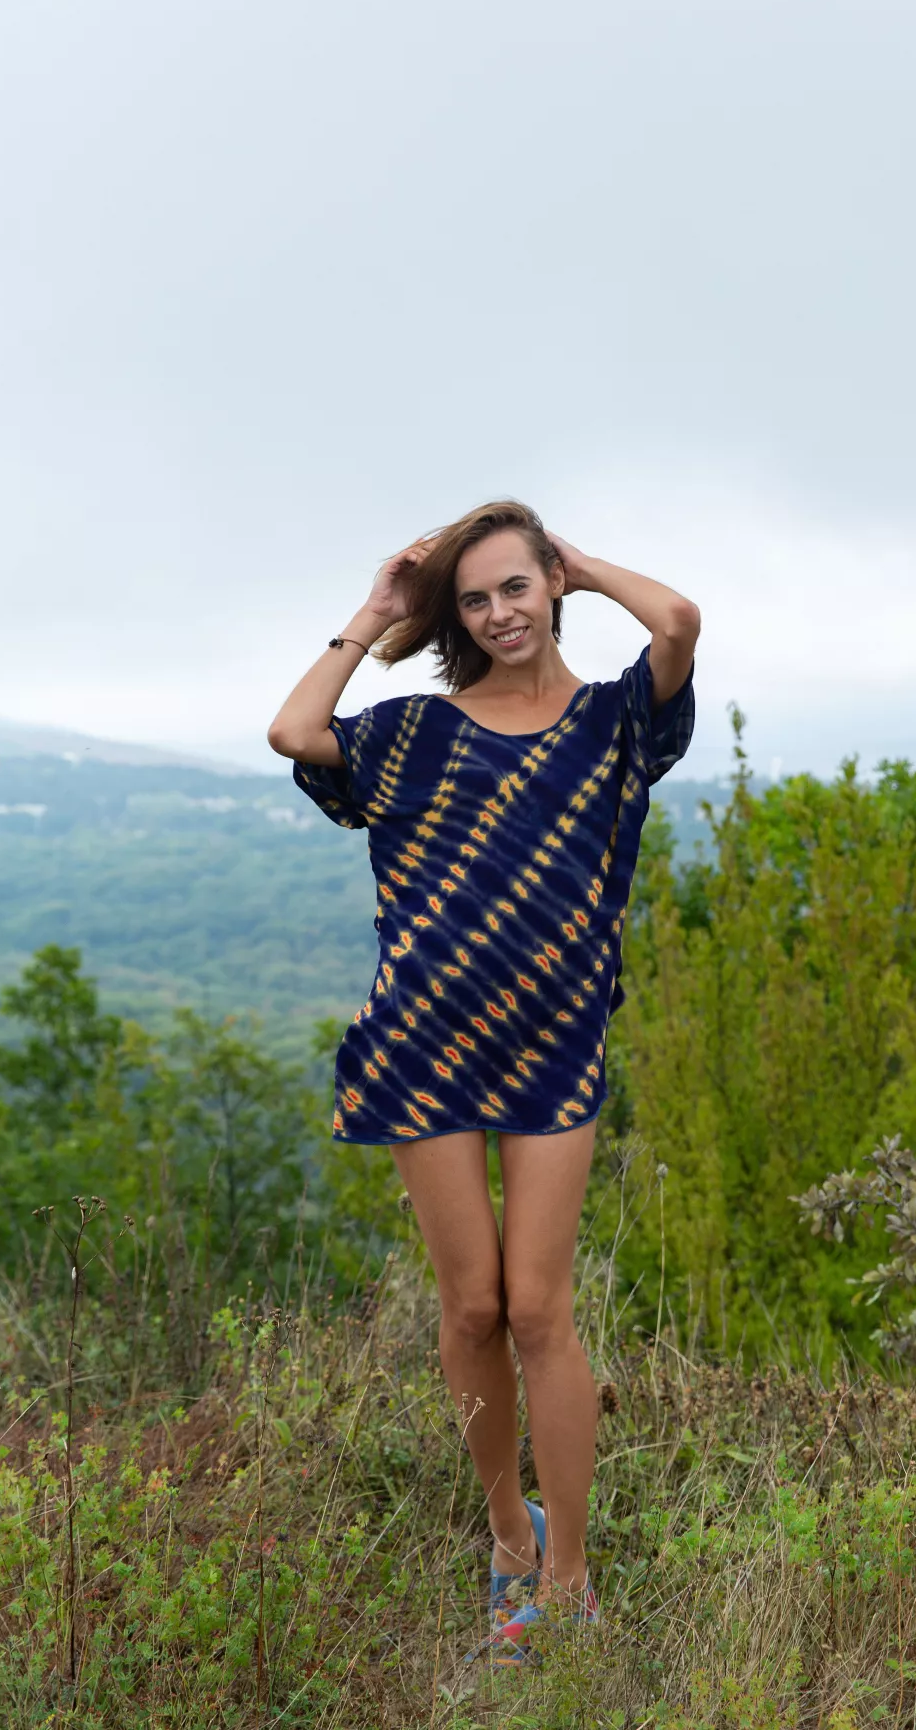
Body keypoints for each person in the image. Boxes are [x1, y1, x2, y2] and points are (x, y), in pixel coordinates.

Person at [268, 500, 699, 1662]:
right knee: (471, 1308)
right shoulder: (414, 731)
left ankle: (570, 1576)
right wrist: (375, 613)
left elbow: (677, 621)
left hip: (556, 1044)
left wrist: (581, 564)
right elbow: (294, 731)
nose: (499, 612)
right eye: (475, 599)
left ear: (548, 583)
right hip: (423, 1040)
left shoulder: (615, 722)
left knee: (539, 1309)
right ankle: (511, 1536)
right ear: (453, 617)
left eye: (516, 585)